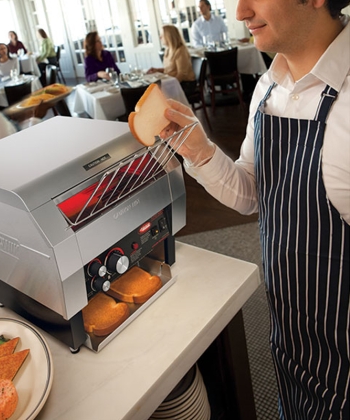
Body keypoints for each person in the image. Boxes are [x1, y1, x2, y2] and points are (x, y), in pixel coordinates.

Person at [160, 0, 350, 419]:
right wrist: (200, 151)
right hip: (291, 324)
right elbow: (252, 194)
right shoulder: (268, 85)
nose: (240, 12)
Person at [146, 25, 196, 96]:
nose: (160, 37)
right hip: (174, 81)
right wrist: (157, 70)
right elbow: (170, 70)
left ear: (169, 36)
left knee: (158, 93)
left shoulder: (180, 50)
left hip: (185, 84)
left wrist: (169, 86)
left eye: (162, 35)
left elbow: (182, 74)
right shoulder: (168, 49)